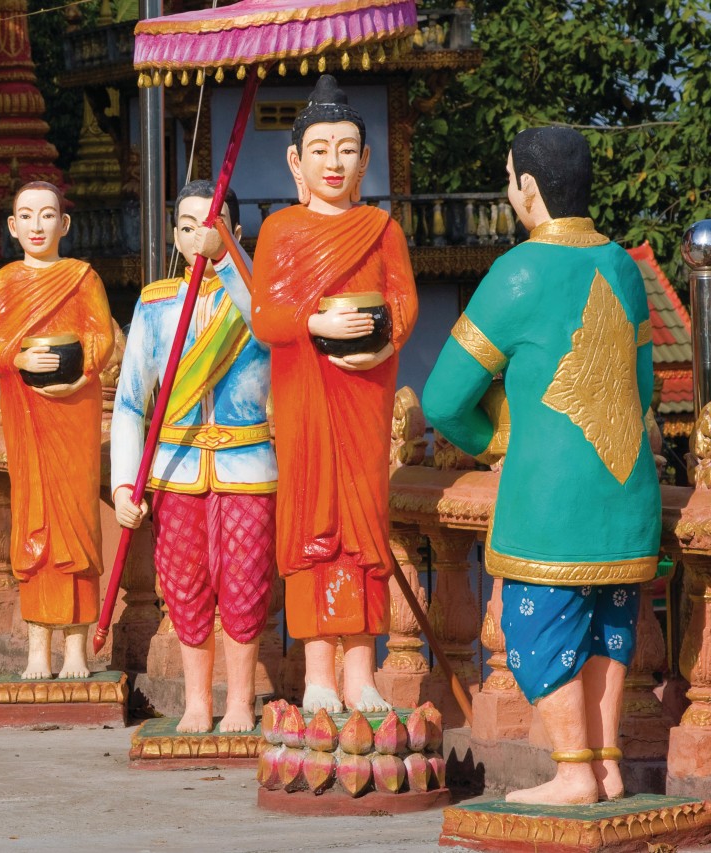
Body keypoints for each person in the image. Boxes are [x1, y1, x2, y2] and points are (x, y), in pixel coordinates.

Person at [423, 126, 660, 805]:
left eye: (509, 179)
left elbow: (443, 398)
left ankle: (573, 770)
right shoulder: (622, 265)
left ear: (528, 190)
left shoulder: (518, 270)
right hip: (625, 489)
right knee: (608, 625)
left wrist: (497, 441)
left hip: (550, 503)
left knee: (536, 630)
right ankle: (605, 762)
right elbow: (642, 389)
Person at [200, 75, 418, 715]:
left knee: (364, 530)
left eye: (346, 149)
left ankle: (363, 673)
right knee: (312, 529)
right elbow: (266, 317)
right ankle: (319, 671)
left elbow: (402, 307)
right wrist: (314, 323)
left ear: (365, 159)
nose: (333, 162)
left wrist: (381, 346)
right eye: (320, 149)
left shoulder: (383, 230)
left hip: (364, 392)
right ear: (296, 161)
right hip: (304, 396)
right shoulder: (282, 233)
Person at [112, 180, 276, 733]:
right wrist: (122, 486)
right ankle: (198, 701)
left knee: (245, 582)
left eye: (212, 222)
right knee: (184, 585)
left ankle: (240, 703)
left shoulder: (255, 293)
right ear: (176, 235)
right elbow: (133, 402)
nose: (199, 233)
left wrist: (227, 259)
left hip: (247, 464)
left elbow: (269, 325)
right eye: (188, 225)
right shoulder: (157, 303)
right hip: (177, 467)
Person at [0, 181, 113, 680]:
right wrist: (17, 356)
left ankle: (77, 651)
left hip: (74, 411)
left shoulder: (82, 278)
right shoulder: (5, 281)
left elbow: (102, 336)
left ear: (65, 224)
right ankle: (37, 648)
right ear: (13, 227)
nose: (38, 226)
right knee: (33, 524)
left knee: (76, 525)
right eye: (27, 217)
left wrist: (80, 367)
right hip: (27, 412)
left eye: (47, 215)